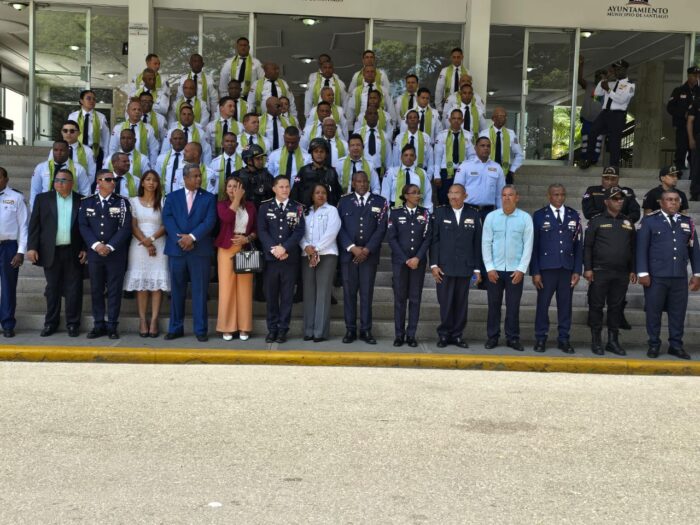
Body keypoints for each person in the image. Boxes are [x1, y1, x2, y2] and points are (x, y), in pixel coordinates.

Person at [636, 189, 700, 359]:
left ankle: (676, 345)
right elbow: (641, 248)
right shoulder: (649, 221)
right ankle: (654, 344)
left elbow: (694, 250)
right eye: (669, 200)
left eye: (676, 200)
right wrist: (642, 272)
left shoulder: (687, 222)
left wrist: (697, 274)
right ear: (661, 202)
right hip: (656, 276)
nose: (673, 203)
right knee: (653, 311)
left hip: (679, 276)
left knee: (678, 313)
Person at [26, 169, 86, 337]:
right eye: (57, 180)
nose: (59, 183)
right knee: (52, 289)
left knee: (74, 289)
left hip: (74, 251)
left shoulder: (82, 200)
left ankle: (73, 324)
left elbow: (86, 227)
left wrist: (85, 248)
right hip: (51, 251)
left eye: (63, 180)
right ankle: (51, 323)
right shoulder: (43, 199)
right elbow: (34, 225)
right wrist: (32, 247)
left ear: (72, 183)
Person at [162, 163, 217, 342]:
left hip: (199, 251)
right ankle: (175, 328)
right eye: (195, 176)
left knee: (199, 292)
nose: (199, 179)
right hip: (177, 250)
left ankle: (200, 330)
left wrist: (192, 237)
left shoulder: (209, 198)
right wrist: (181, 239)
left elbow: (210, 221)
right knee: (176, 291)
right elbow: (167, 219)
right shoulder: (172, 197)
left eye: (200, 175)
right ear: (185, 178)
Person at [78, 170, 133, 339]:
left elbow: (125, 228)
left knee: (115, 290)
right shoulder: (87, 202)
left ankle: (112, 325)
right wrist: (96, 245)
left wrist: (109, 246)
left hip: (115, 254)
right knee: (96, 289)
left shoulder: (122, 202)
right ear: (99, 182)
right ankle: (98, 324)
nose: (112, 182)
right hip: (95, 254)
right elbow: (83, 225)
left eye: (113, 180)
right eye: (108, 179)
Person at [584, 187, 636, 356]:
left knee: (616, 307)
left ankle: (613, 341)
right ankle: (596, 340)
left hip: (621, 273)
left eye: (621, 198)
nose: (619, 201)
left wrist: (633, 269)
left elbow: (633, 248)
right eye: (615, 199)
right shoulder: (596, 221)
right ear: (606, 202)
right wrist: (588, 268)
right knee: (596, 306)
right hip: (600, 271)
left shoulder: (627, 222)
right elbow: (588, 246)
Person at [530, 184, 583, 353]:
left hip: (567, 268)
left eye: (562, 194)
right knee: (543, 305)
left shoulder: (573, 215)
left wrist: (577, 270)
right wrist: (535, 271)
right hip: (546, 269)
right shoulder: (539, 216)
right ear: (549, 196)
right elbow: (534, 246)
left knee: (565, 306)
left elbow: (578, 245)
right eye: (556, 194)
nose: (559, 198)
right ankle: (541, 338)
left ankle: (564, 339)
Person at [337, 171, 388, 345]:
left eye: (365, 181)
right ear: (353, 183)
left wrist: (367, 249)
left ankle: (366, 330)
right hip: (349, 256)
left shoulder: (380, 202)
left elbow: (381, 228)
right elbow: (339, 227)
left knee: (367, 294)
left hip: (369, 257)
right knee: (349, 294)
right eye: (358, 181)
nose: (362, 184)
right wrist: (352, 248)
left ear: (369, 183)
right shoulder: (344, 202)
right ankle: (350, 329)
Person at [481, 185, 533, 351]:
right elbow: (486, 243)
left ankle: (513, 338)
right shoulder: (491, 217)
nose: (507, 198)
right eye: (504, 195)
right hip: (494, 270)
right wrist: (489, 267)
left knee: (513, 307)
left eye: (510, 195)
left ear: (517, 198)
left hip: (515, 271)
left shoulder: (525, 218)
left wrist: (522, 269)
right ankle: (492, 337)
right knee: (493, 305)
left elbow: (528, 245)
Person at [430, 183, 482, 348]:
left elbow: (477, 243)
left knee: (461, 303)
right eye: (450, 193)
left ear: (465, 196)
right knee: (445, 302)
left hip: (465, 266)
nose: (453, 196)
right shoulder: (440, 212)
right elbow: (434, 240)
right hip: (444, 267)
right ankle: (444, 334)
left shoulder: (473, 214)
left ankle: (457, 335)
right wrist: (434, 264)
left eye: (457, 193)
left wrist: (477, 269)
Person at [257, 176, 306, 343]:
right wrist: (274, 249)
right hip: (271, 260)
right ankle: (272, 329)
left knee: (286, 297)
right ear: (274, 189)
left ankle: (283, 329)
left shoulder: (297, 207)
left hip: (289, 259)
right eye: (281, 187)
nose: (285, 190)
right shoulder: (265, 207)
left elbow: (299, 231)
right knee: (271, 296)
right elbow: (262, 230)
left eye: (287, 187)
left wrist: (284, 248)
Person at [123, 170, 169, 338]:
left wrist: (152, 239)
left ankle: (154, 320)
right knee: (142, 284)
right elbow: (133, 225)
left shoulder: (163, 201)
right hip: (138, 245)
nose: (151, 183)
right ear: (142, 182)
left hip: (159, 243)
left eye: (154, 180)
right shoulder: (133, 201)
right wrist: (145, 241)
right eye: (148, 179)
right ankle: (143, 320)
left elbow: (166, 224)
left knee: (156, 285)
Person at [386, 183, 432, 347]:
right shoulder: (395, 213)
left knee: (415, 299)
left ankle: (411, 334)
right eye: (414, 193)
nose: (417, 195)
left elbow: (427, 238)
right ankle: (399, 335)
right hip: (400, 262)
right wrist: (406, 259)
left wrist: (417, 258)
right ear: (406, 196)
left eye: (419, 193)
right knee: (400, 299)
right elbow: (392, 238)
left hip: (418, 263)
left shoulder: (425, 213)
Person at [215, 176, 257, 341]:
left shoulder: (251, 207)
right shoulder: (222, 205)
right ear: (225, 190)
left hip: (244, 247)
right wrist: (236, 200)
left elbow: (256, 229)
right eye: (230, 186)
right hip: (226, 248)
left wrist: (247, 238)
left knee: (245, 289)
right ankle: (227, 327)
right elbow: (226, 218)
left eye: (236, 186)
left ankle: (244, 327)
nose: (232, 189)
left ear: (242, 188)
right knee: (227, 289)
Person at [300, 183, 341, 342]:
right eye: (317, 192)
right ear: (312, 195)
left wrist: (316, 249)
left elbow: (331, 232)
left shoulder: (332, 210)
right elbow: (300, 232)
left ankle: (319, 332)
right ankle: (308, 330)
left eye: (323, 192)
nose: (321, 195)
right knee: (309, 292)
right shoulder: (306, 212)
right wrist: (306, 247)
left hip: (327, 255)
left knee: (323, 293)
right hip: (307, 255)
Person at [580, 60, 635, 169]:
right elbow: (597, 93)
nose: (616, 71)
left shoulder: (629, 85)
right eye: (614, 69)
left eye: (618, 69)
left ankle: (613, 166)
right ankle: (589, 159)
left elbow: (621, 100)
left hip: (618, 115)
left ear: (624, 70)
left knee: (614, 141)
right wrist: (604, 79)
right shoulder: (611, 83)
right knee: (592, 132)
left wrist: (608, 90)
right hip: (605, 113)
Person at [0, 167, 28, 338]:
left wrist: (21, 251)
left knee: (8, 287)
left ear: (6, 179)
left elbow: (24, 226)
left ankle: (8, 324)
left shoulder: (16, 197)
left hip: (8, 247)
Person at [454, 136, 506, 221]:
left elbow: (500, 194)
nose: (486, 148)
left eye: (488, 146)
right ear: (475, 148)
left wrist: (501, 213)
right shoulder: (465, 166)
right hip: (469, 210)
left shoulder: (497, 167)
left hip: (489, 212)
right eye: (482, 145)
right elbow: (457, 191)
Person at [30, 140, 90, 209]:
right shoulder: (41, 168)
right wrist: (34, 210)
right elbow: (35, 191)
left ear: (68, 151)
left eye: (62, 150)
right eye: (56, 150)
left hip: (70, 207)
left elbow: (85, 192)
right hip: (46, 207)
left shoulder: (79, 169)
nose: (58, 153)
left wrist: (83, 210)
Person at [433, 108, 476, 205]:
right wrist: (436, 175)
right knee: (444, 200)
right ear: (449, 120)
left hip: (463, 172)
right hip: (445, 173)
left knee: (461, 201)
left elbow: (472, 157)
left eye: (459, 118)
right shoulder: (441, 135)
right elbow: (437, 157)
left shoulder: (468, 136)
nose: (456, 121)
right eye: (454, 118)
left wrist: (470, 174)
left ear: (462, 120)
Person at [291, 138, 343, 208]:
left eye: (322, 151)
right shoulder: (303, 171)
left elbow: (339, 193)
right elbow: (295, 192)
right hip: (307, 210)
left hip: (328, 210)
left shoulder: (332, 172)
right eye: (316, 151)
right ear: (311, 153)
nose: (319, 154)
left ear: (326, 154)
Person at [667, 66, 699, 177]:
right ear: (689, 76)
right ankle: (678, 176)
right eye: (694, 75)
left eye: (697, 76)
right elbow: (670, 108)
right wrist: (683, 113)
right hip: (681, 126)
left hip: (696, 127)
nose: (696, 78)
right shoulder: (679, 90)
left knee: (694, 153)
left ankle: (693, 176)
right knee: (681, 150)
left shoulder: (699, 91)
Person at [109, 98, 160, 167]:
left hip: (142, 164)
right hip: (121, 165)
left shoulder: (148, 128)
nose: (137, 112)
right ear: (128, 111)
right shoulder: (118, 128)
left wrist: (152, 166)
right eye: (134, 109)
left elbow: (153, 150)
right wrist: (114, 165)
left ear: (142, 112)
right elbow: (113, 148)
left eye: (139, 110)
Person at [382, 143, 433, 212]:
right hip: (395, 209)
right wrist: (386, 212)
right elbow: (385, 194)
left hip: (417, 209)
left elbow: (427, 194)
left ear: (415, 157)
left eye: (411, 155)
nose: (408, 157)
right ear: (401, 157)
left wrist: (428, 212)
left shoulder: (422, 173)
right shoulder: (391, 172)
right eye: (406, 155)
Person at [479, 107, 524, 184]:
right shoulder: (484, 133)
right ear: (493, 118)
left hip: (505, 172)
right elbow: (478, 154)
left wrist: (512, 170)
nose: (502, 118)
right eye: (499, 116)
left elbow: (519, 154)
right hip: (487, 171)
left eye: (504, 116)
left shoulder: (511, 134)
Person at [69, 89, 110, 170]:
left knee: (95, 175)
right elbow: (69, 136)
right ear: (81, 101)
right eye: (88, 98)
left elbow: (106, 138)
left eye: (94, 99)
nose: (92, 101)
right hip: (77, 151)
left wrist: (105, 157)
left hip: (95, 152)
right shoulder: (73, 116)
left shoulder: (101, 117)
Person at [577, 56, 606, 167]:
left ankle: (594, 161)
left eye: (601, 77)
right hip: (587, 119)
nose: (598, 78)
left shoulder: (607, 89)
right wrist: (581, 65)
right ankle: (584, 159)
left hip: (600, 121)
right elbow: (579, 80)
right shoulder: (589, 85)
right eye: (597, 76)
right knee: (585, 140)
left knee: (597, 142)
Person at [392, 109, 434, 178]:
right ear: (406, 121)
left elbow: (430, 159)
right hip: (403, 174)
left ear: (419, 121)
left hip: (421, 173)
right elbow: (395, 159)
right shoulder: (399, 138)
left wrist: (429, 176)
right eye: (410, 118)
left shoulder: (426, 137)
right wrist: (396, 175)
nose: (412, 119)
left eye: (415, 117)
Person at [234, 144, 275, 208]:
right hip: (243, 211)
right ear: (249, 160)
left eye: (261, 158)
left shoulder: (268, 176)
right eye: (258, 159)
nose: (261, 161)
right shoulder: (237, 176)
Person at [355, 107, 391, 175]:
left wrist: (389, 173)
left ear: (378, 117)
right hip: (362, 170)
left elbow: (388, 156)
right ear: (365, 117)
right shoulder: (358, 134)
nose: (373, 116)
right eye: (370, 113)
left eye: (375, 114)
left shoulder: (384, 135)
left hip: (379, 171)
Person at [207, 132, 243, 199]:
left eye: (232, 141)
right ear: (222, 144)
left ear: (237, 144)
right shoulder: (214, 163)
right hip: (219, 199)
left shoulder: (243, 162)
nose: (230, 143)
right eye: (227, 141)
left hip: (239, 198)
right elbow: (211, 185)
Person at [435, 47, 469, 113]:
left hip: (462, 105)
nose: (456, 59)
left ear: (462, 57)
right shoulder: (444, 71)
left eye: (458, 57)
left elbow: (469, 90)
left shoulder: (467, 72)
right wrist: (439, 108)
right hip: (448, 105)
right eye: (454, 57)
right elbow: (439, 90)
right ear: (451, 57)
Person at [155, 129, 186, 194]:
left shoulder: (189, 158)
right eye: (175, 139)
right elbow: (157, 178)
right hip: (165, 196)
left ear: (185, 141)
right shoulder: (161, 158)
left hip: (183, 196)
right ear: (170, 141)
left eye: (180, 138)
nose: (178, 141)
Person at [687, 95, 700, 200]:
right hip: (698, 137)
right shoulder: (697, 102)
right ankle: (695, 193)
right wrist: (691, 138)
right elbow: (690, 121)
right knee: (697, 166)